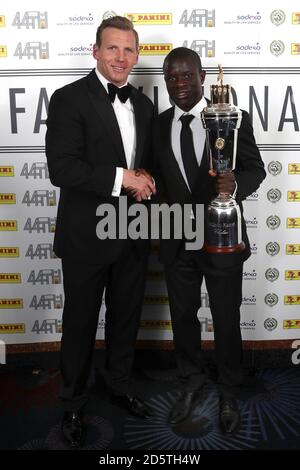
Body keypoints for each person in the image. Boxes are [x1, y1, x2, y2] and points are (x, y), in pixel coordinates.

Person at [45, 16, 156, 448]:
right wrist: (123, 179)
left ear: (137, 54)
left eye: (129, 49)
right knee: (79, 323)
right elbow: (63, 169)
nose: (121, 57)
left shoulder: (144, 106)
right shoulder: (69, 98)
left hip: (133, 232)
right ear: (95, 51)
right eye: (112, 48)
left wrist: (144, 178)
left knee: (127, 318)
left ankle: (120, 385)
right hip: (86, 237)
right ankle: (72, 402)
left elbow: (139, 163)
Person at [153, 47, 266, 434]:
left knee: (225, 317)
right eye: (171, 77)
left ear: (203, 77)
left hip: (222, 237)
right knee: (183, 317)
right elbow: (157, 182)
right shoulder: (159, 123)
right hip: (175, 239)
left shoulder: (232, 119)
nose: (179, 84)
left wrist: (236, 184)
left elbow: (255, 169)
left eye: (186, 76)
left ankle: (229, 389)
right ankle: (191, 381)